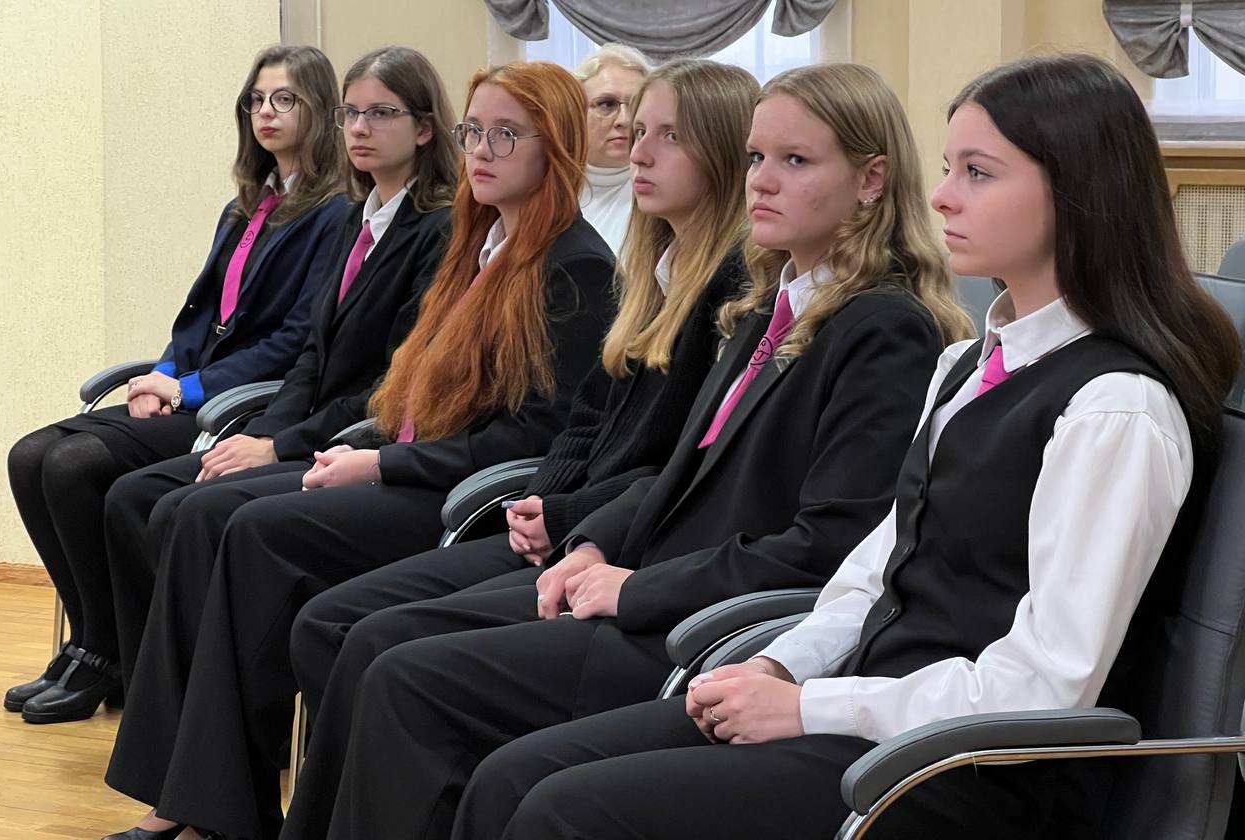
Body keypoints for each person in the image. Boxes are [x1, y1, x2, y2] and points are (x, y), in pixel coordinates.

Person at [452, 53, 1242, 840]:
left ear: (1078, 192)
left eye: (977, 173)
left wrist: (810, 705)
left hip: (965, 773)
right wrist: (779, 665)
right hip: (876, 715)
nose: (941, 195)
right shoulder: (967, 364)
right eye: (948, 169)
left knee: (566, 812)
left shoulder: (1116, 408)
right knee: (513, 776)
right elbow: (875, 568)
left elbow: (1044, 687)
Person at [308, 61, 973, 840]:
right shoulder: (770, 306)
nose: (762, 180)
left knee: (411, 680)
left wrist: (635, 587)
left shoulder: (883, 326)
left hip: (697, 625)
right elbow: (680, 474)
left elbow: (826, 544)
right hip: (648, 584)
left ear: (871, 181)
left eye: (795, 160)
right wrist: (595, 543)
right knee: (387, 653)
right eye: (757, 157)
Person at [101, 60, 616, 840]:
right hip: (404, 463)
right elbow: (405, 389)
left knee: (251, 532)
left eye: (506, 135)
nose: (481, 150)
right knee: (203, 515)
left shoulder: (573, 264)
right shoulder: (478, 244)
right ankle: (204, 796)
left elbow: (532, 439)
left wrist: (378, 461)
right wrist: (361, 444)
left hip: (457, 497)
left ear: (557, 145)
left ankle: (215, 802)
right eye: (474, 131)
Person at [281, 56, 757, 840]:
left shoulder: (725, 292)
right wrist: (551, 501)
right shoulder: (654, 269)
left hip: (623, 557)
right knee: (344, 624)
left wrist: (568, 517)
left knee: (374, 643)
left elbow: (675, 468)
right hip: (565, 523)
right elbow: (588, 423)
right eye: (637, 131)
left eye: (667, 136)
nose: (636, 150)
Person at [3, 44, 348, 725]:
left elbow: (293, 342)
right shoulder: (246, 206)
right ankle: (94, 640)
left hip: (243, 405)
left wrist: (188, 389)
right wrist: (162, 372)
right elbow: (201, 318)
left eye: (285, 99)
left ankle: (104, 652)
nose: (266, 113)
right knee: (29, 456)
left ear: (319, 110)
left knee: (73, 464)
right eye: (256, 100)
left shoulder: (334, 214)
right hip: (196, 387)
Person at [99, 44, 458, 695]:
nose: (360, 128)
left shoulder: (436, 229)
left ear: (426, 128)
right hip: (301, 425)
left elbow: (389, 384)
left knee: (195, 513)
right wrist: (265, 432)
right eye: (352, 113)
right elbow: (311, 355)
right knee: (140, 497)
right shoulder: (358, 220)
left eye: (380, 113)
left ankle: (207, 712)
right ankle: (155, 694)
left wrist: (277, 444)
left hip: (355, 439)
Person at [574, 43, 650, 254]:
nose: (624, 120)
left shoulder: (663, 196)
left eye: (635, 105)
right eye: (607, 104)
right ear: (576, 112)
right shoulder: (549, 189)